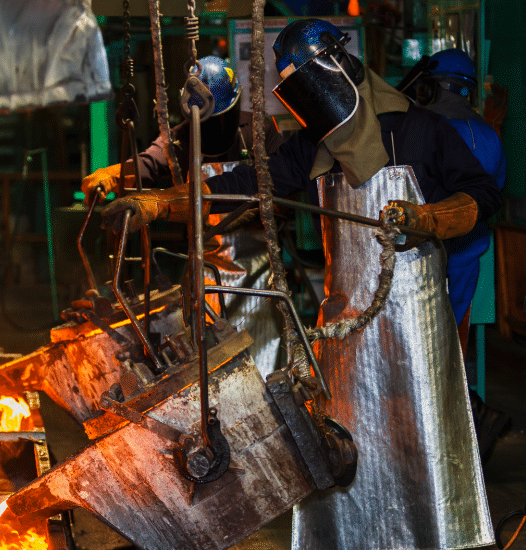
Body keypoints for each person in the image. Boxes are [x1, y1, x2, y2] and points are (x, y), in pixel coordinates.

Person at [103, 18, 500, 550]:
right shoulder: (314, 147)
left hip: (414, 321)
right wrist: (165, 202)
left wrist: (429, 218)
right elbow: (248, 184)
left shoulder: (422, 132)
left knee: (418, 440)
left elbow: (481, 195)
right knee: (344, 445)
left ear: (340, 70)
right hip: (346, 323)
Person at [80, 56, 287, 377]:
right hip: (204, 275)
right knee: (210, 368)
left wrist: (245, 211)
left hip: (258, 277)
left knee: (261, 363)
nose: (207, 130)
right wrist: (114, 174)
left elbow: (283, 193)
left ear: (233, 108)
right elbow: (150, 163)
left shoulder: (260, 132)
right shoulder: (183, 135)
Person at [407, 48, 511, 462]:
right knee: (451, 344)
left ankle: (453, 431)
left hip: (424, 256)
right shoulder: (487, 135)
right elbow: (493, 191)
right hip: (468, 259)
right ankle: (461, 431)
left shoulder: (425, 129)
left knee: (423, 347)